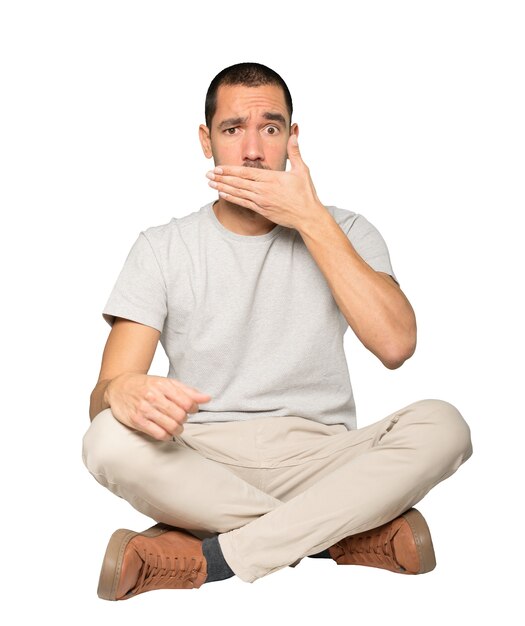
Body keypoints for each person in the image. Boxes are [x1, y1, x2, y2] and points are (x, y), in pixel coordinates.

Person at [82, 61, 473, 601]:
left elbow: (396, 345)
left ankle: (212, 557)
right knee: (104, 440)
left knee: (444, 425)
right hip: (199, 462)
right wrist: (121, 390)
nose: (251, 151)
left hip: (324, 459)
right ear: (206, 141)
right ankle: (337, 535)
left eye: (269, 129)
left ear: (292, 139)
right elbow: (103, 397)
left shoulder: (348, 229)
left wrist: (311, 219)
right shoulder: (161, 247)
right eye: (231, 129)